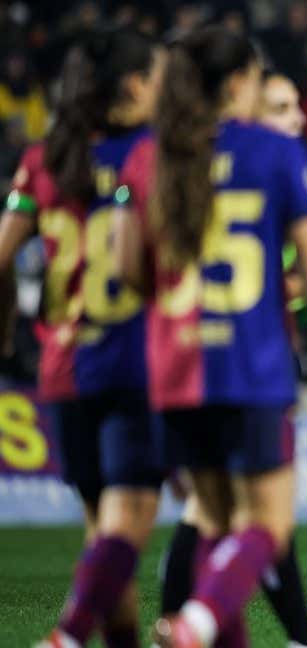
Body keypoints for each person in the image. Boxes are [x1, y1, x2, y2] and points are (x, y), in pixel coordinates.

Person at [111, 25, 307, 647]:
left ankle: (206, 626)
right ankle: (194, 621)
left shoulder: (152, 154)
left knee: (216, 526)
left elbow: (124, 270)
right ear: (239, 82)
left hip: (177, 367)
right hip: (252, 364)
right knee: (267, 525)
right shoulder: (273, 154)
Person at [0, 28, 163, 648]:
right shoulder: (151, 154)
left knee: (103, 529)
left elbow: (2, 258)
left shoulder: (44, 159)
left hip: (63, 367)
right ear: (132, 86)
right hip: (134, 360)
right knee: (127, 524)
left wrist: (6, 328)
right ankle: (66, 636)